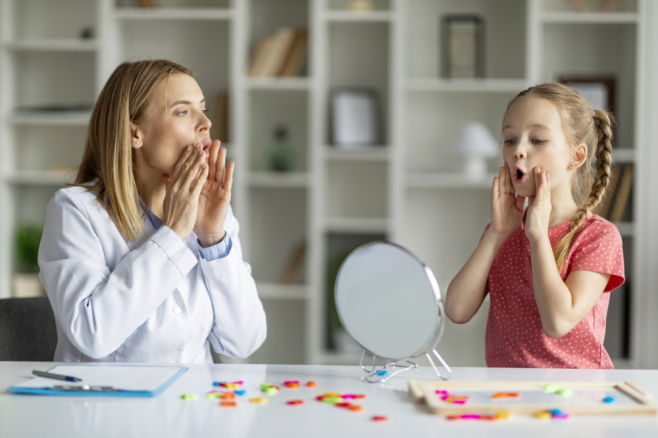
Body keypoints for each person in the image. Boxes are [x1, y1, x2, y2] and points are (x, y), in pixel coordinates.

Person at [38, 60, 266, 363]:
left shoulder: (211, 213)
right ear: (135, 134)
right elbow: (92, 334)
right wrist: (173, 234)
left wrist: (213, 238)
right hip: (105, 407)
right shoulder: (75, 210)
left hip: (193, 407)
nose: (205, 123)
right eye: (183, 111)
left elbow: (245, 341)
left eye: (203, 109)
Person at [445, 83, 624, 368]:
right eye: (510, 140)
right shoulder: (502, 232)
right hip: (509, 393)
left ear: (576, 157)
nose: (519, 151)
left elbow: (557, 322)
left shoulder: (598, 236)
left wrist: (539, 237)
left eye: (537, 140)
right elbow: (456, 310)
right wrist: (495, 234)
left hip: (577, 396)